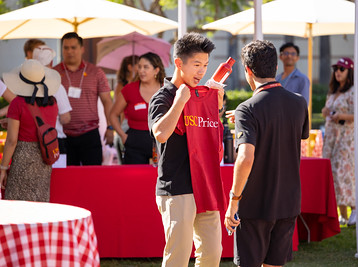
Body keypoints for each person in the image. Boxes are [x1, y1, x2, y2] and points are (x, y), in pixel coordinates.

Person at [224, 40, 309, 267]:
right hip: (288, 201)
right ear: (275, 67)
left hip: (255, 204)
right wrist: (244, 118)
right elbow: (281, 126)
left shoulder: (247, 109)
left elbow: (245, 157)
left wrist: (234, 200)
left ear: (248, 71)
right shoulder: (300, 103)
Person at [148, 32, 225, 267]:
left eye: (205, 65)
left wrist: (217, 107)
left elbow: (213, 140)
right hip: (176, 188)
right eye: (196, 65)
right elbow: (160, 133)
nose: (201, 72)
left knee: (213, 254)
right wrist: (180, 101)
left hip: (206, 185)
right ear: (179, 63)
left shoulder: (203, 96)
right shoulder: (162, 97)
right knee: (177, 257)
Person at [0, 59, 60, 202]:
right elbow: (39, 127)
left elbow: (12, 141)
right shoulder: (52, 102)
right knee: (39, 204)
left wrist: (3, 168)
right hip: (44, 159)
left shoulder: (17, 103)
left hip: (23, 158)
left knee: (18, 206)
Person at [53, 32, 114, 166]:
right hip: (62, 135)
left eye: (73, 47)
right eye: (66, 48)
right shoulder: (54, 73)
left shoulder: (96, 72)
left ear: (82, 49)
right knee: (66, 179)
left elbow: (107, 101)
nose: (69, 51)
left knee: (93, 178)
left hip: (90, 134)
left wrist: (110, 127)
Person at [321, 57, 358, 226]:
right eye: (336, 69)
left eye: (342, 69)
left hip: (346, 138)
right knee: (332, 172)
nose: (338, 72)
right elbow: (329, 110)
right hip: (331, 137)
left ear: (350, 71)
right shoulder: (333, 91)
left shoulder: (355, 90)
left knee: (343, 172)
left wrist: (341, 116)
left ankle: (355, 209)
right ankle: (343, 214)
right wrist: (326, 111)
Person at [110, 52, 165, 164]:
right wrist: (123, 136)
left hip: (161, 143)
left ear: (156, 70)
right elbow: (113, 115)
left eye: (145, 67)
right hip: (134, 143)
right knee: (134, 179)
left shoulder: (166, 89)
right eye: (139, 67)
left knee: (160, 180)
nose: (141, 70)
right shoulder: (129, 89)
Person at [31, 44, 72, 168]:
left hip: (31, 142)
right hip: (54, 141)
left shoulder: (25, 86)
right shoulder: (57, 86)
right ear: (51, 62)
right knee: (58, 182)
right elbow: (65, 118)